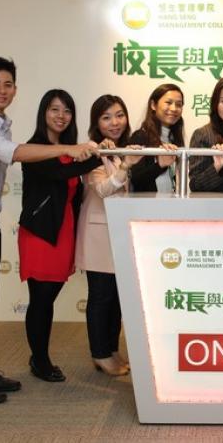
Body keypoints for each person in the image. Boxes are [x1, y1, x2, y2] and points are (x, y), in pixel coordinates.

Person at [0, 57, 97, 404]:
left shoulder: (1, 125)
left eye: (8, 84)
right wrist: (69, 148)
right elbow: (15, 154)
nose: (2, 90)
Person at [17, 89, 101, 383]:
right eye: (54, 110)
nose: (61, 116)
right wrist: (97, 154)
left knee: (47, 296)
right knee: (41, 297)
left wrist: (91, 152)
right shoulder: (35, 148)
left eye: (66, 111)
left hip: (64, 228)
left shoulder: (70, 149)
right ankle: (39, 359)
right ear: (43, 113)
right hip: (41, 232)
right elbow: (58, 174)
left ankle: (37, 355)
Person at [76, 95, 143, 376]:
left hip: (118, 232)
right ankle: (99, 353)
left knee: (116, 295)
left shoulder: (121, 148)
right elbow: (102, 190)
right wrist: (126, 165)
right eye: (106, 117)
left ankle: (112, 349)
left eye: (119, 115)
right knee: (101, 295)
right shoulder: (93, 151)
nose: (114, 123)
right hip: (98, 234)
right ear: (96, 123)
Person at [128, 84, 184, 193]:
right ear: (153, 105)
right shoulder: (140, 136)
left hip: (171, 205)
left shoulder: (174, 138)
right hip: (148, 207)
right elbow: (135, 180)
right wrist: (159, 165)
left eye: (179, 104)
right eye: (168, 103)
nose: (174, 108)